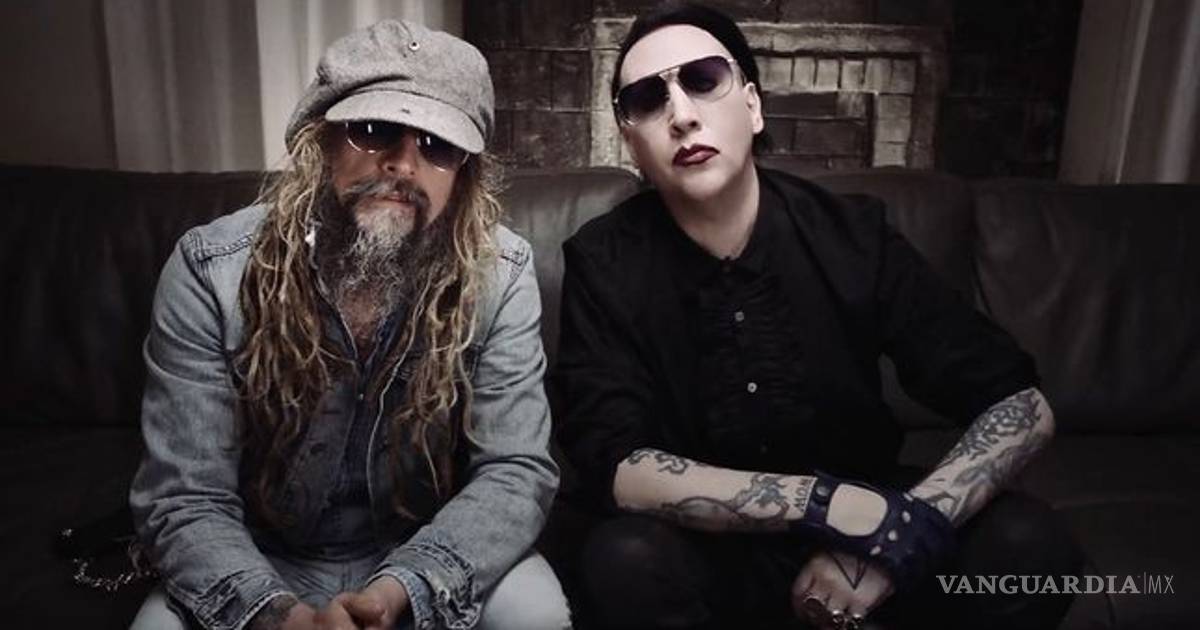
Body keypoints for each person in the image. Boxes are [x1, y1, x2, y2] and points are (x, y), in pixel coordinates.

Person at [556, 3, 1082, 629]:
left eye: (703, 80)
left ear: (753, 106)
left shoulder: (852, 235)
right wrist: (826, 505)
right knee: (623, 559)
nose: (682, 115)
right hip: (711, 553)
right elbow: (618, 466)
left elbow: (1021, 404)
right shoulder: (603, 259)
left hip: (871, 532)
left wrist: (897, 536)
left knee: (1032, 546)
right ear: (631, 142)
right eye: (647, 99)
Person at [128, 20, 569, 630]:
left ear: (464, 174)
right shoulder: (210, 269)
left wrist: (399, 590)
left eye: (437, 145)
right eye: (374, 130)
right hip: (258, 555)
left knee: (536, 616)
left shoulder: (504, 274)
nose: (404, 164)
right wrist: (278, 615)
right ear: (322, 140)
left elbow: (515, 472)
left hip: (424, 553)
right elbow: (185, 495)